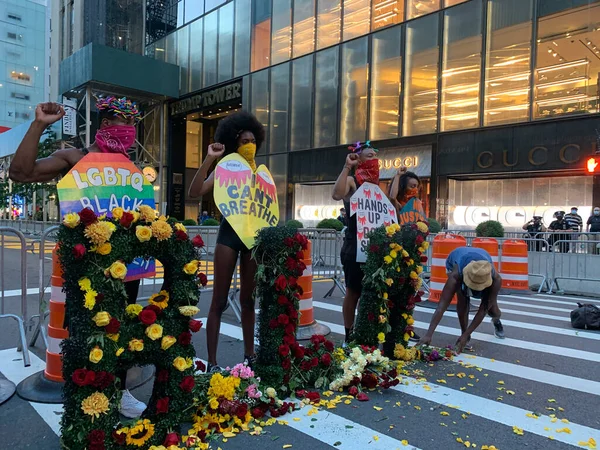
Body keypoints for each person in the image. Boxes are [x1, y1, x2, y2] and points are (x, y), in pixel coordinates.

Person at [9, 98, 148, 418]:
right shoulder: (77, 157)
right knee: (84, 334)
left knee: (121, 330)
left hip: (126, 267)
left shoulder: (133, 169)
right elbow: (21, 172)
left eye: (132, 122)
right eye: (118, 120)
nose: (126, 128)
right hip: (86, 266)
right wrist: (40, 124)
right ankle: (85, 401)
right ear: (103, 125)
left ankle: (120, 391)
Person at [188, 111, 265, 372]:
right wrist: (210, 159)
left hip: (252, 238)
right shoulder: (225, 167)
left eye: (253, 140)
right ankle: (212, 363)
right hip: (228, 235)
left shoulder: (261, 174)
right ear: (235, 143)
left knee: (248, 301)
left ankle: (249, 356)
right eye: (244, 140)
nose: (249, 144)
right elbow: (195, 192)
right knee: (218, 302)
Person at [332, 141, 379, 345]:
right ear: (359, 159)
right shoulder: (352, 181)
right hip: (354, 244)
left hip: (373, 247)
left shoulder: (376, 188)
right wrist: (347, 167)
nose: (374, 159)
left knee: (371, 292)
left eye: (376, 157)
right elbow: (336, 194)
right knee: (353, 291)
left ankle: (366, 332)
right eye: (370, 156)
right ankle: (348, 335)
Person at [417, 247, 505, 354]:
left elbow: (483, 309)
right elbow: (442, 306)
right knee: (462, 298)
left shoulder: (496, 280)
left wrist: (466, 334)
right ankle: (464, 333)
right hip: (456, 259)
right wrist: (428, 334)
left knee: (493, 309)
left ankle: (496, 320)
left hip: (479, 261)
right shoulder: (456, 275)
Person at [387, 167, 425, 341]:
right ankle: (391, 325)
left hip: (414, 253)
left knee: (411, 292)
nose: (414, 189)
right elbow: (392, 197)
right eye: (411, 185)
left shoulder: (418, 204)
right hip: (397, 252)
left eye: (417, 185)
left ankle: (407, 327)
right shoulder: (398, 205)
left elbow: (424, 222)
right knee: (395, 291)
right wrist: (398, 175)